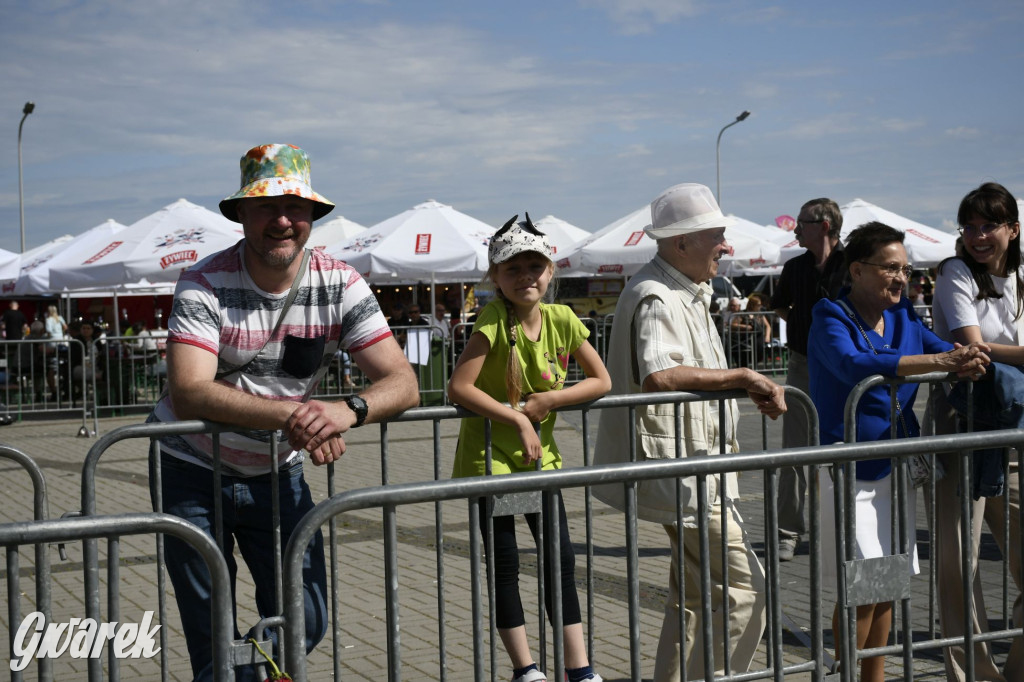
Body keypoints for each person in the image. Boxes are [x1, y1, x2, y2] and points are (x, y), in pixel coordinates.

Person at [149, 143, 419, 681]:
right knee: (210, 630)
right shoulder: (203, 283)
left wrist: (349, 411)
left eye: (295, 207)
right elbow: (190, 393)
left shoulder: (340, 283)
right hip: (189, 470)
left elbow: (404, 382)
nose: (282, 220)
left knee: (306, 617)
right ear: (241, 214)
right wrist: (300, 417)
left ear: (313, 215)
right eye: (266, 206)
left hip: (277, 473)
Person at [593, 183, 782, 681]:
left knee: (694, 596)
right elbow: (660, 375)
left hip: (692, 468)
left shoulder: (680, 288)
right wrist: (742, 378)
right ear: (681, 244)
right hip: (686, 472)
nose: (726, 246)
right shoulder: (658, 294)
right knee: (746, 592)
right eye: (716, 236)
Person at [807, 221, 989, 682]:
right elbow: (853, 364)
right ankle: (847, 676)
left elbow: (944, 349)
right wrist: (942, 362)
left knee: (888, 583)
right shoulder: (830, 315)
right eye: (890, 268)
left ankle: (876, 678)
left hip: (895, 465)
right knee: (862, 587)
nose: (900, 278)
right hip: (847, 467)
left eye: (905, 270)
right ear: (858, 270)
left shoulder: (906, 315)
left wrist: (964, 357)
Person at [448, 212, 610, 682]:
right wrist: (517, 417)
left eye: (534, 266)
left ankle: (578, 668)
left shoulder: (562, 318)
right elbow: (460, 387)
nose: (525, 277)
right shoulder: (494, 317)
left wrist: (552, 399)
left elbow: (601, 380)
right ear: (495, 277)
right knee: (507, 565)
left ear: (551, 270)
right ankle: (527, 669)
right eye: (512, 268)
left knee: (560, 560)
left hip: (541, 463)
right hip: (492, 464)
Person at [930, 181, 1024, 681]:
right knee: (958, 563)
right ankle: (970, 674)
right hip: (962, 418)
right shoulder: (955, 272)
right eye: (969, 225)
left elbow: (987, 350)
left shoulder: (1021, 275)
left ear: (1013, 228)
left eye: (989, 224)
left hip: (1016, 422)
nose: (978, 234)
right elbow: (972, 350)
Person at [770, 198, 848, 561]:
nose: (795, 229)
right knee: (795, 451)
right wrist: (805, 328)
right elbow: (781, 306)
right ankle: (788, 533)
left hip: (844, 368)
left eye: (802, 223)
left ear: (825, 225)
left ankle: (845, 528)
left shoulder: (853, 266)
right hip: (802, 364)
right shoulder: (795, 267)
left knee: (846, 447)